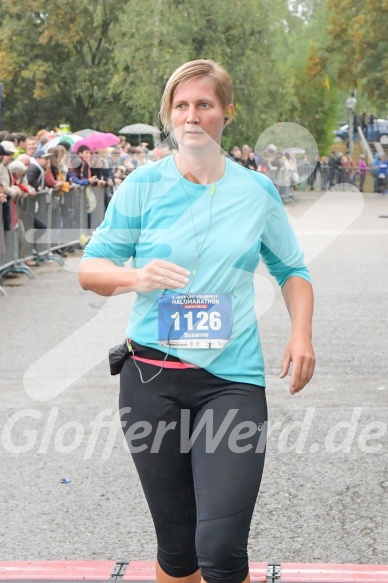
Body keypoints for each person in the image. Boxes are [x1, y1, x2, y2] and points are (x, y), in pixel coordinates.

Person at [79, 59, 315, 583]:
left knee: (222, 548)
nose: (192, 116)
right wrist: (136, 277)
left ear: (227, 112)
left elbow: (292, 269)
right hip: (150, 379)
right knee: (178, 551)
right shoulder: (142, 186)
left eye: (204, 104)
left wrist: (302, 333)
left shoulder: (257, 191)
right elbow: (90, 270)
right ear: (169, 114)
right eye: (181, 105)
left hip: (231, 382)